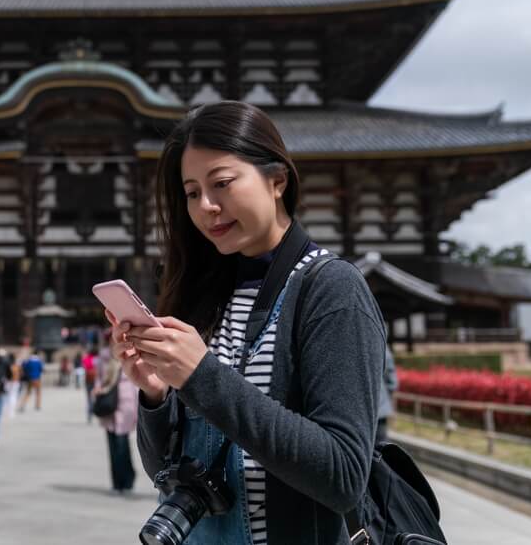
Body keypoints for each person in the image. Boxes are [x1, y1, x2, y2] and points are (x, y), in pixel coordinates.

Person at [109, 102, 385, 544]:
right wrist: (155, 395)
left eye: (222, 183)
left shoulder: (331, 290)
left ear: (277, 180)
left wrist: (203, 377)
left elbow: (343, 474)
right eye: (192, 192)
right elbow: (164, 474)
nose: (207, 207)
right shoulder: (207, 296)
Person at [94, 348, 139, 493]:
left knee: (122, 446)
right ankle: (116, 483)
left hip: (126, 408)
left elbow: (136, 386)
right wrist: (97, 391)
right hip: (109, 407)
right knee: (113, 448)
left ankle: (127, 480)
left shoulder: (130, 355)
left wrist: (139, 411)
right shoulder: (104, 358)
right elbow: (99, 380)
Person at [377, 344, 399, 445]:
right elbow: (391, 382)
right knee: (381, 452)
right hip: (380, 409)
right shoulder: (379, 343)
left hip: (355, 413)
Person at [3, 351, 21, 420]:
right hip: (15, 382)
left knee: (6, 397)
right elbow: (20, 374)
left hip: (7, 382)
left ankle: (5, 411)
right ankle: (11, 412)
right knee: (13, 396)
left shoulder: (7, 365)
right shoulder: (16, 366)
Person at [82, 347, 98, 423]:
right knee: (96, 398)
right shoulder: (98, 359)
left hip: (88, 380)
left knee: (89, 398)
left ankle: (89, 414)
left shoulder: (86, 359)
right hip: (96, 380)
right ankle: (96, 412)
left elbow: (84, 366)